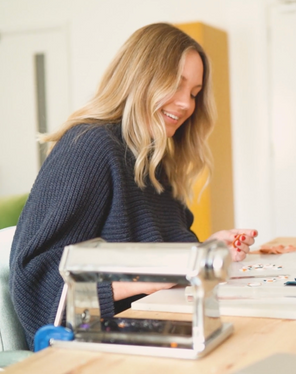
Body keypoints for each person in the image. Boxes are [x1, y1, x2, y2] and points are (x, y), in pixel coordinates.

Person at [9, 22, 258, 350]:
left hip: (147, 331)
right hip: (83, 349)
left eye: (194, 94)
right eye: (176, 85)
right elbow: (36, 278)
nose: (186, 104)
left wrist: (204, 253)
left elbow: (157, 260)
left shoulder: (152, 158)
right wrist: (148, 277)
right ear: (140, 78)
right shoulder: (91, 146)